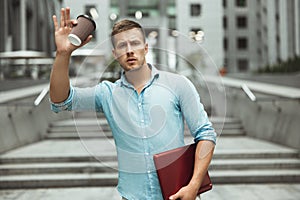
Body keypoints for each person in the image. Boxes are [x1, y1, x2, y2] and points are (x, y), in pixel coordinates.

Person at [50, 7, 216, 200]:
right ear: (114, 53)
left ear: (146, 48)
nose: (129, 50)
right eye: (122, 46)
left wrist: (194, 186)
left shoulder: (178, 84)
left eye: (135, 43)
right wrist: (63, 54)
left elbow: (205, 134)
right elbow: (62, 101)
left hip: (178, 194)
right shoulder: (107, 94)